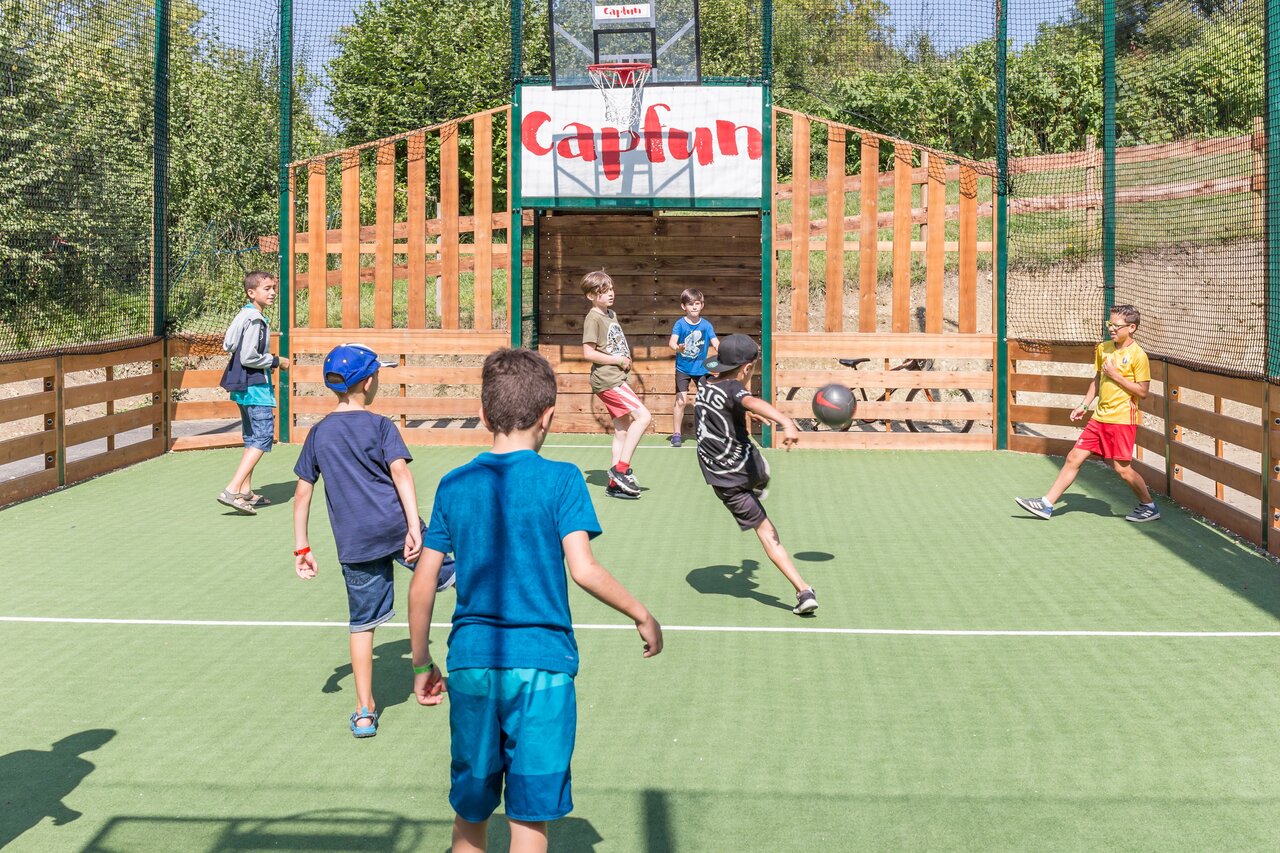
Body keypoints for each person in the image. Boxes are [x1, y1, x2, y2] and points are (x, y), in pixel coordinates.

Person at [407, 347, 662, 853]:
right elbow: (584, 570)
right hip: (544, 670)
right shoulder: (562, 479)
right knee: (529, 821)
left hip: (473, 663)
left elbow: (422, 585)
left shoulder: (454, 484)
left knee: (470, 817)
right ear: (548, 417)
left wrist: (420, 663)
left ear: (483, 415)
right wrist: (642, 613)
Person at [292, 343, 456, 739]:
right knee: (459, 577)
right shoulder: (382, 425)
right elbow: (401, 475)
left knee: (362, 625)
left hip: (355, 543)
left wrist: (303, 548)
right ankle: (484, 660)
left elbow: (302, 494)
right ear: (368, 383)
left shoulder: (317, 434)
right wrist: (416, 527)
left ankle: (364, 711)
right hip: (398, 529)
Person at [695, 334, 819, 616]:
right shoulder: (734, 391)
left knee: (757, 474)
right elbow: (746, 398)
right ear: (747, 368)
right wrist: (786, 421)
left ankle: (757, 486)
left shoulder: (704, 384)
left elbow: (735, 402)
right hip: (736, 472)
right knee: (767, 529)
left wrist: (750, 414)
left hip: (716, 474)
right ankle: (803, 590)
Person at [1015, 304, 1160, 522]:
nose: (1111, 329)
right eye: (1109, 324)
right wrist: (1084, 405)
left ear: (1132, 328)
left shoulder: (1139, 356)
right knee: (1074, 457)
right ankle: (1046, 505)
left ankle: (1149, 506)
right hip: (1098, 418)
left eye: (1116, 326)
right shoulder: (1104, 348)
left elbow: (1143, 392)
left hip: (1121, 420)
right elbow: (1098, 379)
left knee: (1122, 470)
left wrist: (1116, 375)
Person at [217, 271, 290, 515]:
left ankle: (246, 492)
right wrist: (276, 361)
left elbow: (228, 343)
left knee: (250, 438)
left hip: (242, 388)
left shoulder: (243, 315)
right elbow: (249, 356)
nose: (272, 293)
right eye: (267, 288)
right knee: (263, 437)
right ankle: (232, 489)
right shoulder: (256, 320)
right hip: (255, 387)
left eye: (273, 288)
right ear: (252, 292)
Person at [580, 269, 651, 498]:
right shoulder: (593, 318)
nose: (610, 293)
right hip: (608, 380)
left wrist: (624, 361)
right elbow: (588, 353)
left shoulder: (611, 314)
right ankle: (621, 470)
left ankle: (614, 484)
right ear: (591, 295)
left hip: (618, 377)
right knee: (644, 417)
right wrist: (617, 360)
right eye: (603, 291)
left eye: (611, 289)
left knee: (622, 429)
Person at [668, 288, 719, 447]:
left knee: (704, 401)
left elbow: (715, 341)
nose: (694, 307)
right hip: (683, 369)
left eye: (697, 303)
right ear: (684, 306)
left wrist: (722, 350)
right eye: (690, 304)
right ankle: (677, 434)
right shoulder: (680, 324)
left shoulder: (706, 325)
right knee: (681, 401)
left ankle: (706, 432)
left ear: (702, 305)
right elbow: (672, 343)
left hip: (702, 370)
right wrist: (678, 348)